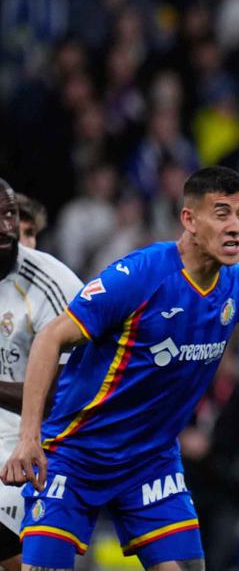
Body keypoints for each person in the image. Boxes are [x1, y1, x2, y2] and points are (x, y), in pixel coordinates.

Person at [0, 166, 239, 571]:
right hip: (77, 451)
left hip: (150, 458)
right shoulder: (140, 276)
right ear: (189, 220)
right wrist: (29, 438)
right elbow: (49, 338)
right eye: (221, 213)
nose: (235, 227)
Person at [0, 180, 83, 571]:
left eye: (12, 218)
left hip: (39, 445)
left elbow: (70, 391)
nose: (10, 229)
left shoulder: (54, 284)